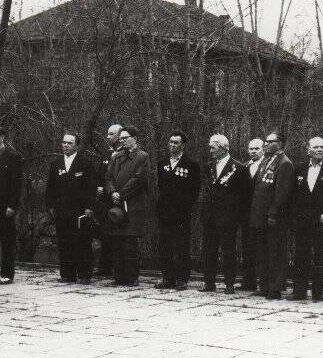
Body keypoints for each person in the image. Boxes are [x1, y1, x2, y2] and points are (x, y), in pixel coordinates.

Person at [291, 137, 323, 301]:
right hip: (302, 220)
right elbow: (294, 195)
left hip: (322, 220)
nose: (320, 149)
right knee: (301, 255)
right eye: (316, 147)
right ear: (308, 150)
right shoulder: (298, 168)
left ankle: (319, 292)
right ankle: (299, 291)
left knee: (321, 255)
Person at [45, 132, 97, 283]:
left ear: (77, 146)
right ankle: (67, 274)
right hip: (61, 210)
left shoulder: (86, 163)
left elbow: (91, 188)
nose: (65, 145)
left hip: (80, 211)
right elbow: (50, 187)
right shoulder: (56, 163)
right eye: (64, 142)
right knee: (64, 242)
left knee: (82, 242)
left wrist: (89, 207)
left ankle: (85, 274)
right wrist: (50, 206)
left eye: (69, 143)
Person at [200, 134, 248, 294]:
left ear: (222, 148)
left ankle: (229, 283)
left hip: (228, 217)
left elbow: (244, 195)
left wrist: (236, 215)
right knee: (209, 250)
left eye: (212, 147)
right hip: (210, 216)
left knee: (228, 251)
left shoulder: (239, 168)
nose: (210, 150)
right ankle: (209, 283)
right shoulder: (208, 166)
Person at [249, 132, 294, 299]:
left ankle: (275, 288)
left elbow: (281, 193)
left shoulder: (284, 163)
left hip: (273, 216)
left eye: (270, 141)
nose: (266, 144)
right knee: (262, 251)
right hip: (260, 215)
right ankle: (265, 285)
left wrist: (273, 213)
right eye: (266, 141)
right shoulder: (267, 160)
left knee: (275, 252)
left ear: (280, 144)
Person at [104, 126, 151, 286]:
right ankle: (119, 276)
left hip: (133, 205)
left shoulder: (143, 157)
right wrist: (112, 192)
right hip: (117, 205)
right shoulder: (116, 157)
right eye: (121, 138)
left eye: (126, 138)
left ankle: (131, 277)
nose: (122, 140)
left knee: (130, 242)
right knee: (117, 241)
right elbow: (108, 177)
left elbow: (138, 179)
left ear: (135, 139)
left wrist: (122, 194)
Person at [155, 130, 201, 290]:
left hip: (181, 214)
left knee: (181, 246)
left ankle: (182, 279)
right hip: (165, 212)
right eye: (171, 142)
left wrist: (185, 206)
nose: (172, 145)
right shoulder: (162, 163)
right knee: (164, 245)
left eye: (176, 143)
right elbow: (161, 185)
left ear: (183, 145)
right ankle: (167, 277)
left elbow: (195, 190)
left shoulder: (191, 165)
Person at [0, 126, 23, 285]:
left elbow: (16, 184)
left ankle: (7, 273)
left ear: (2, 137)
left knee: (7, 241)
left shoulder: (13, 157)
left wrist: (12, 206)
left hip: (5, 206)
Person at [94, 124, 124, 277]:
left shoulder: (125, 154)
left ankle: (117, 268)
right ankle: (104, 267)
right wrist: (99, 186)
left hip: (118, 199)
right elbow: (100, 173)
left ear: (119, 136)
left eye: (111, 134)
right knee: (104, 233)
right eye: (107, 134)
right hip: (104, 201)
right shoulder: (106, 154)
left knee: (118, 235)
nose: (108, 137)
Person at [240, 138, 265, 290]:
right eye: (251, 149)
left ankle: (263, 282)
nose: (253, 151)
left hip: (261, 213)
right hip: (246, 214)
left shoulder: (267, 165)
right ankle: (248, 281)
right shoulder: (245, 166)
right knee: (247, 247)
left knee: (261, 248)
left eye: (256, 149)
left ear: (263, 149)